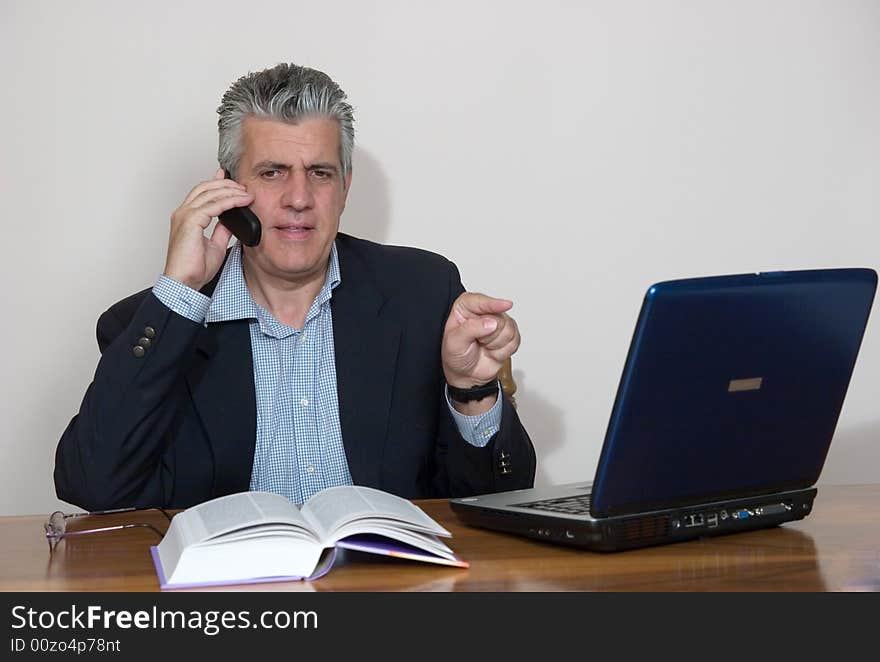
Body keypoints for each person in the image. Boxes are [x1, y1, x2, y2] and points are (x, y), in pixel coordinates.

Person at [54, 62, 535, 511]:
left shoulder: (422, 294)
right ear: (227, 190)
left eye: (320, 174)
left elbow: (497, 501)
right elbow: (93, 486)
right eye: (272, 173)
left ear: (345, 186)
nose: (299, 199)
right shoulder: (151, 323)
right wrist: (180, 292)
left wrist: (473, 392)